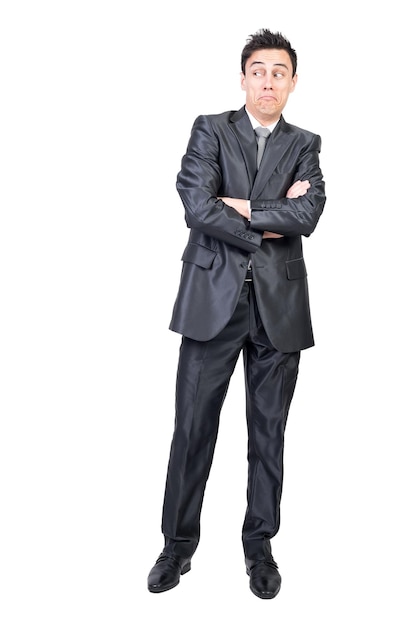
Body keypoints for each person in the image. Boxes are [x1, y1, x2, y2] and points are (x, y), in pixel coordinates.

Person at [147, 28, 326, 599]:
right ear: (243, 77)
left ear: (292, 82)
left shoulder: (306, 143)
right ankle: (177, 547)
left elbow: (309, 216)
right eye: (258, 70)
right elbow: (196, 206)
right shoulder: (210, 129)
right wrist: (270, 217)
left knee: (267, 435)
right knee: (192, 428)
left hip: (280, 308)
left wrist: (241, 207)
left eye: (279, 72)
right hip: (211, 303)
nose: (268, 81)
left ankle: (260, 549)